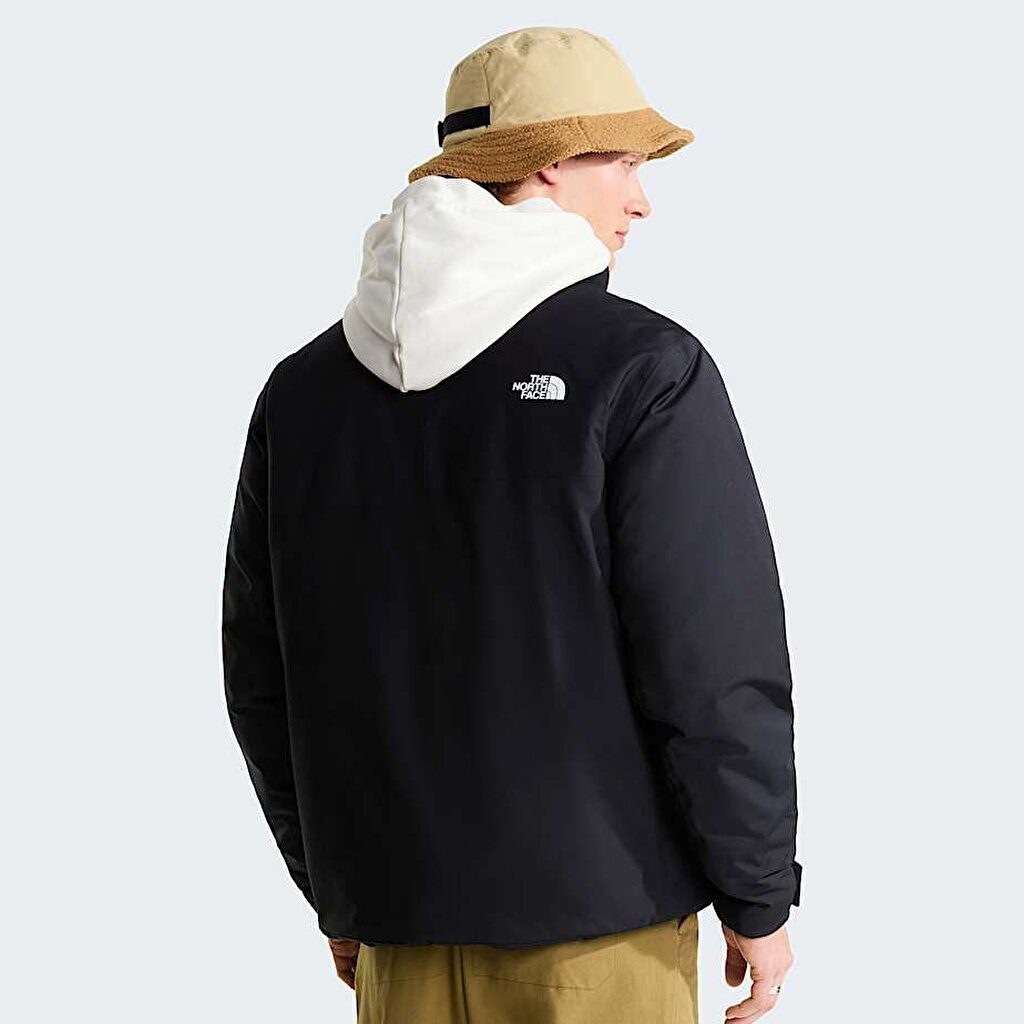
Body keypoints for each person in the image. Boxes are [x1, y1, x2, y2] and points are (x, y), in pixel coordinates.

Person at [222, 25, 802, 1024]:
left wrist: (338, 885)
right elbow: (710, 664)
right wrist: (757, 893)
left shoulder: (305, 390)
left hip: (396, 936)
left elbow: (262, 670)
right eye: (623, 162)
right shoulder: (642, 370)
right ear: (548, 163)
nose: (641, 198)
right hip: (600, 942)